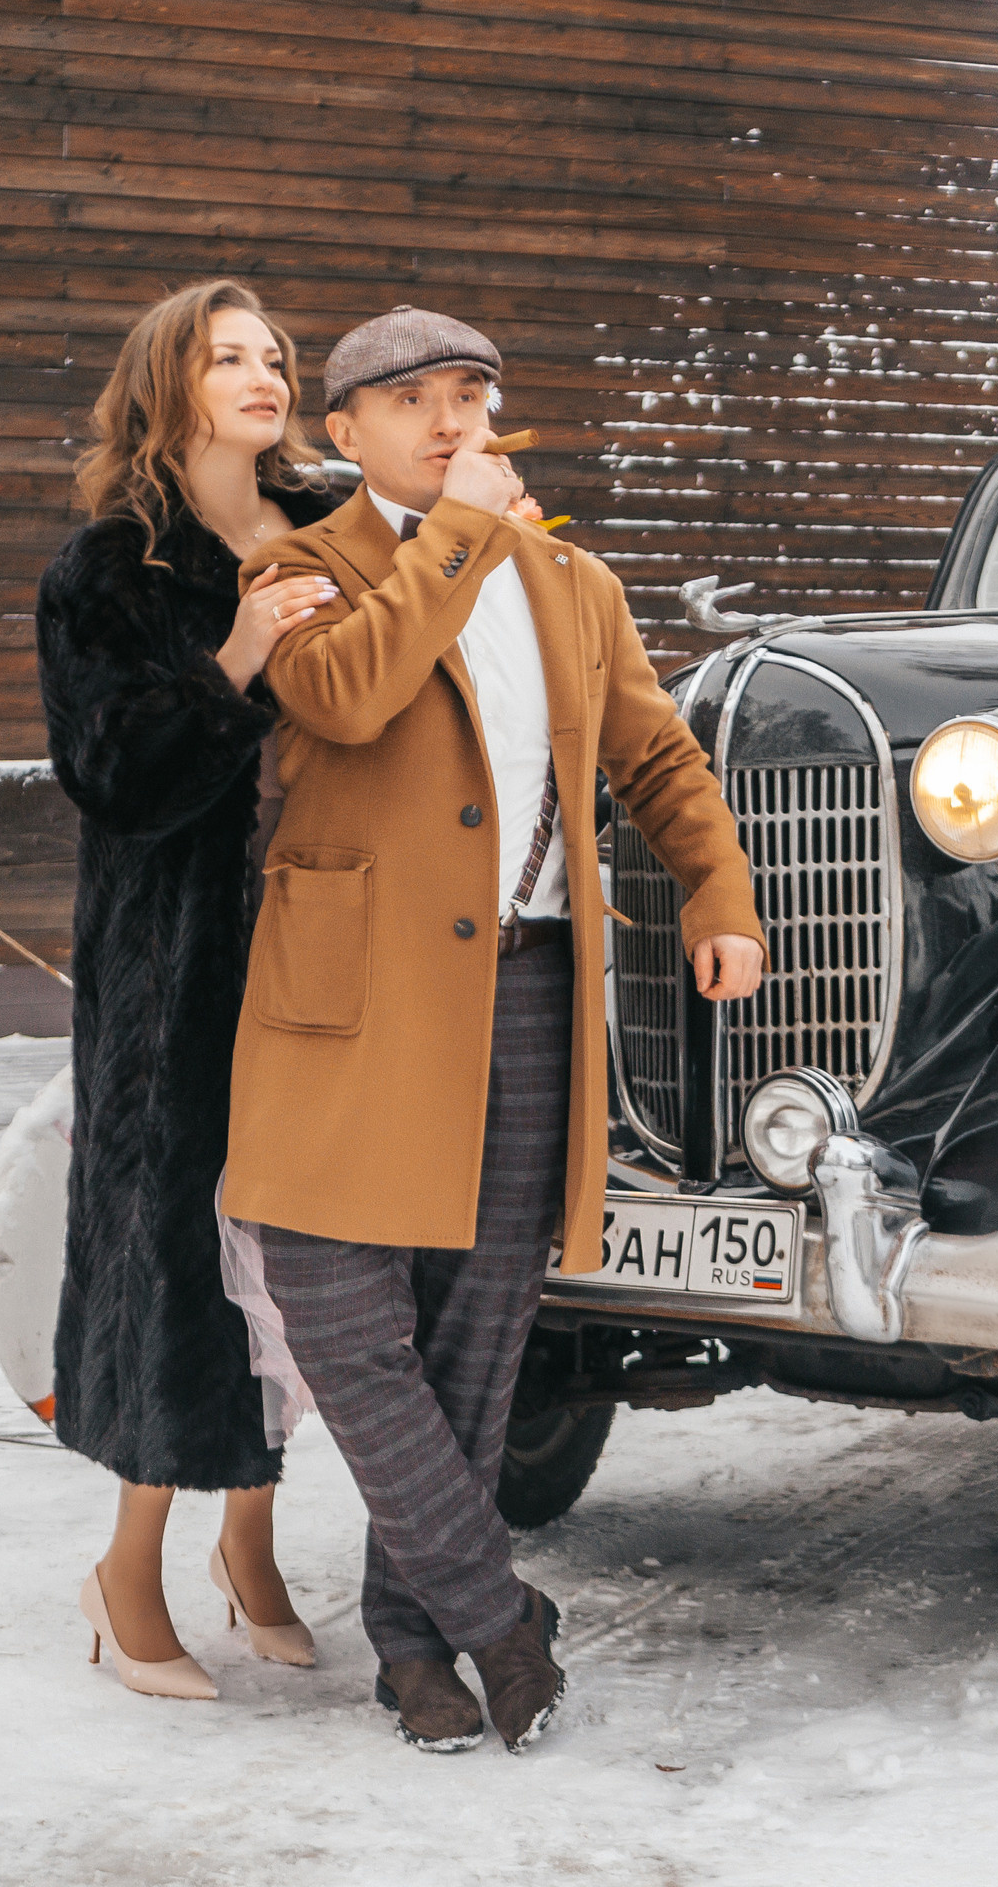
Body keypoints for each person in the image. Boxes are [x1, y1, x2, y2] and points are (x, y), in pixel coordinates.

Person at [219, 307, 765, 1754]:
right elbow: (342, 696)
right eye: (413, 401)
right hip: (349, 1001)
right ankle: (498, 1615)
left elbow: (654, 750)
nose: (452, 420)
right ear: (345, 432)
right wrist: (452, 537)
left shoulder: (574, 581)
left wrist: (716, 887)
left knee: (478, 1334)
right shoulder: (302, 567)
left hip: (530, 983)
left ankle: (415, 1651)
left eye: (472, 393)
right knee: (338, 1309)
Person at [34, 279, 334, 1700]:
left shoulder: (336, 529)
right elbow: (114, 780)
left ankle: (256, 1545)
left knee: (303, 1259)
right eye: (229, 358)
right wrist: (237, 660)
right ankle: (130, 1562)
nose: (264, 376)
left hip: (335, 948)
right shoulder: (110, 572)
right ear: (170, 383)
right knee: (172, 1247)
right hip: (180, 964)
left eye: (275, 356)